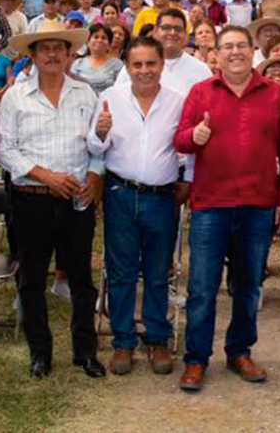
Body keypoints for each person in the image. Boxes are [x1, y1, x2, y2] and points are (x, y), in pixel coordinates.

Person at [174, 26, 280, 392]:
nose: (235, 52)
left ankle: (239, 351)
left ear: (253, 49)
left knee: (247, 287)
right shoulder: (200, 92)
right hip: (211, 205)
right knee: (201, 287)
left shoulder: (273, 94)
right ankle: (196, 359)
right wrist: (193, 137)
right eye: (227, 46)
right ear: (218, 53)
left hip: (258, 206)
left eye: (241, 45)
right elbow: (178, 138)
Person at [0, 20, 106, 379]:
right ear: (31, 54)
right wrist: (46, 176)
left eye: (58, 48)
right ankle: (40, 354)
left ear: (68, 53)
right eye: (44, 48)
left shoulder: (85, 93)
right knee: (31, 280)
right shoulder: (15, 96)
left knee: (80, 279)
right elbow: (6, 150)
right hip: (32, 200)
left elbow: (98, 146)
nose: (52, 54)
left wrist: (94, 177)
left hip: (76, 201)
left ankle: (85, 352)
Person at [88, 36, 188, 376]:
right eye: (137, 65)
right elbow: (95, 147)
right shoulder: (109, 99)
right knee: (121, 272)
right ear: (127, 67)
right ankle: (123, 341)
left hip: (161, 197)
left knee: (159, 272)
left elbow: (186, 151)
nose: (144, 71)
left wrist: (186, 183)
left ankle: (157, 338)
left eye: (151, 64)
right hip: (120, 193)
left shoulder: (178, 102)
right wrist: (100, 132)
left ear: (161, 65)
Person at [115, 9, 212, 95]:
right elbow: (118, 99)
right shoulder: (137, 66)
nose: (172, 33)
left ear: (185, 34)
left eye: (178, 29)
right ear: (155, 32)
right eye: (166, 27)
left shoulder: (201, 70)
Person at [72, 24, 125, 94]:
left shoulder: (117, 64)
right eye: (96, 37)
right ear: (88, 42)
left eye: (104, 38)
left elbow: (121, 89)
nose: (99, 40)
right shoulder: (77, 63)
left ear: (109, 44)